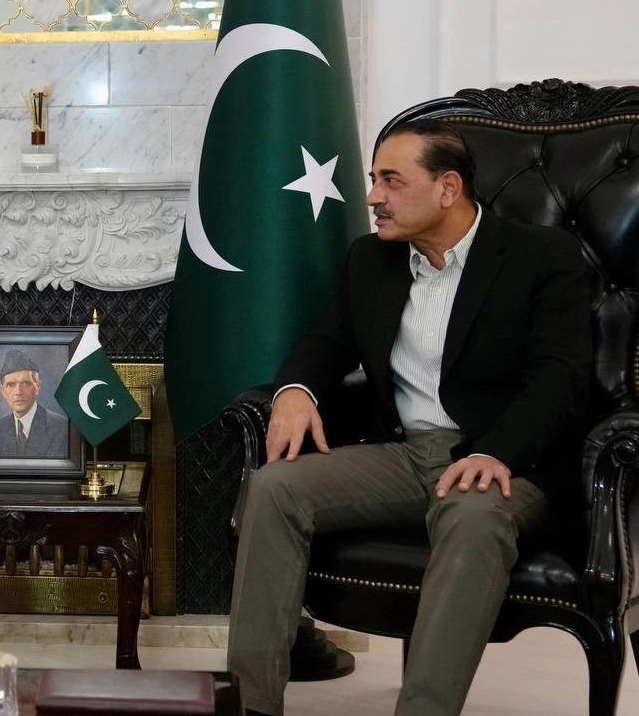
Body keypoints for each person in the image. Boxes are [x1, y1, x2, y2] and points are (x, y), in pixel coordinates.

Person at [227, 120, 592, 716]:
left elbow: (560, 380)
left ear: (448, 188)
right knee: (274, 488)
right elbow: (325, 342)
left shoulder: (541, 257)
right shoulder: (372, 259)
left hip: (505, 460)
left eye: (391, 181)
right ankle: (252, 705)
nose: (373, 196)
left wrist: (494, 451)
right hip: (402, 454)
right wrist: (294, 390)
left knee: (472, 517)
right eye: (374, 180)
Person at [0, 349, 70, 458]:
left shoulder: (61, 428)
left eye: (25, 383)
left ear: (37, 387)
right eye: (11, 385)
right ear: (2, 391)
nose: (18, 392)